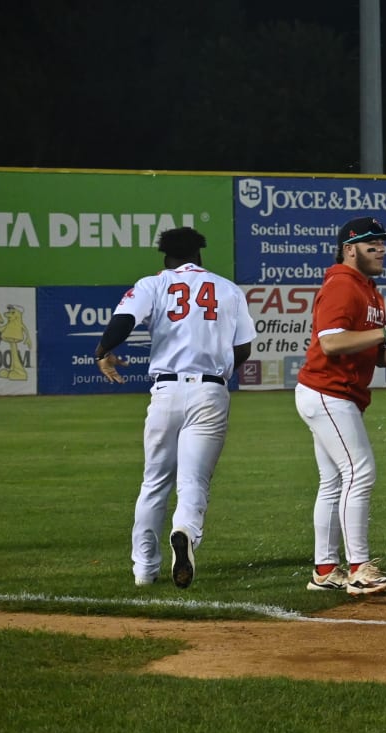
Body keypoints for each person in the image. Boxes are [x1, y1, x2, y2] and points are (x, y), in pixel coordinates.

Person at [93, 227, 255, 589]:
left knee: (154, 483)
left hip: (166, 390)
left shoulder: (154, 284)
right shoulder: (228, 289)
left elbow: (123, 322)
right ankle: (185, 531)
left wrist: (102, 351)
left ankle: (144, 571)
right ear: (199, 254)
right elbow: (243, 349)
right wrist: (223, 365)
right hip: (210, 392)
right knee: (193, 480)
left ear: (165, 257)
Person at [295, 217, 386, 596]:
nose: (381, 248)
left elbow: (377, 357)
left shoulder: (370, 290)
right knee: (360, 472)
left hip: (335, 394)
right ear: (349, 249)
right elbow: (331, 342)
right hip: (328, 391)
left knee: (333, 482)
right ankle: (359, 568)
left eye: (382, 242)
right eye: (371, 243)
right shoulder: (342, 284)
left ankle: (325, 570)